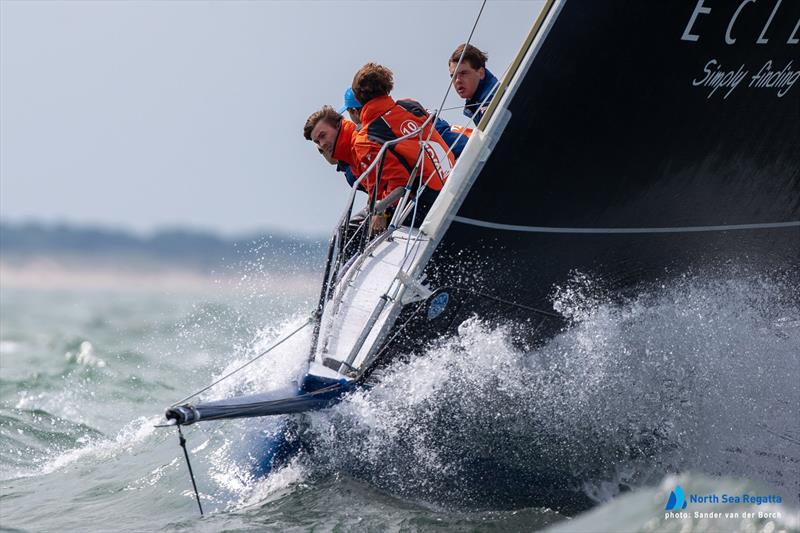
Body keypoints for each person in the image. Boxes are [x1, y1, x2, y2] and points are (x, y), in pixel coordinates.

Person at [350, 63, 455, 233]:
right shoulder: (411, 105)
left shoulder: (366, 138)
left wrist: (382, 212)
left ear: (358, 98)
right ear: (387, 87)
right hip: (452, 184)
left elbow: (399, 181)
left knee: (351, 230)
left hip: (425, 205)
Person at [338, 85, 470, 159]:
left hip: (459, 159)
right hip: (464, 146)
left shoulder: (376, 133)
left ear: (355, 112)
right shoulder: (406, 105)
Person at [303, 105, 360, 188]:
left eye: (323, 135)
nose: (322, 144)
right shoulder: (348, 162)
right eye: (317, 142)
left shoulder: (363, 141)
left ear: (338, 125)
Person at [449, 43, 499, 125]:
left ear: (481, 73)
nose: (457, 80)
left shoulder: (493, 99)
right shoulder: (477, 102)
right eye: (453, 76)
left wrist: (441, 129)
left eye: (463, 73)